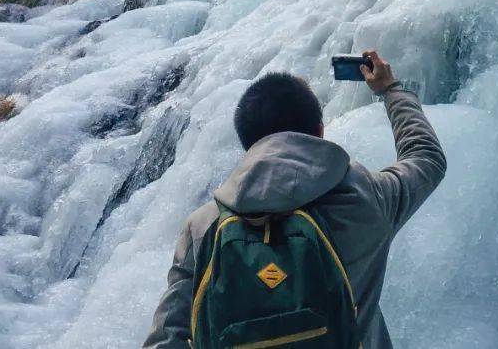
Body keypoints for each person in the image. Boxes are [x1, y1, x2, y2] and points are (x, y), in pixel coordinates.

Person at [143, 50, 446, 349]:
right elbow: (425, 157)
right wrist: (390, 90)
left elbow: (167, 336)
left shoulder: (204, 226)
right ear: (319, 131)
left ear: (248, 143)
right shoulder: (366, 199)